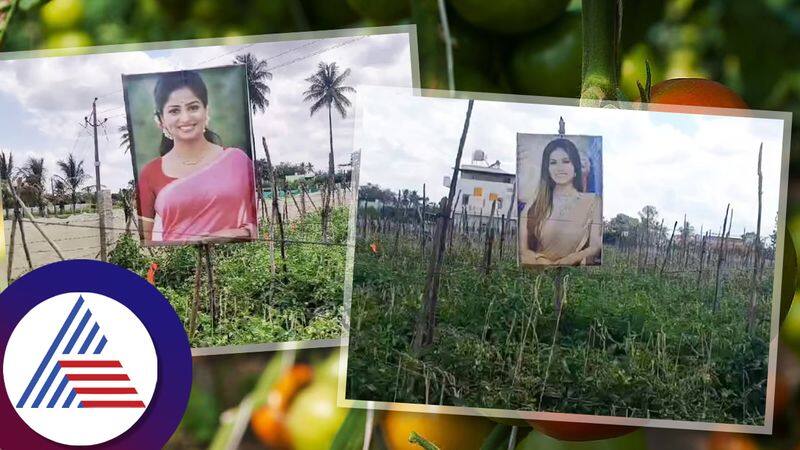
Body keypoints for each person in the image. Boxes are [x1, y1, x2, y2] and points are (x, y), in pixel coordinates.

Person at [136, 70, 257, 244]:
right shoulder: (150, 174)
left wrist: (223, 235)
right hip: (180, 266)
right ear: (160, 120)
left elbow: (254, 224)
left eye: (193, 107)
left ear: (206, 111)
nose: (185, 118)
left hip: (241, 263)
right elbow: (146, 242)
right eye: (174, 111)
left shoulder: (237, 161)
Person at [525, 138, 601, 266]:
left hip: (573, 274)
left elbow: (595, 246)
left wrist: (570, 259)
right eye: (553, 163)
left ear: (575, 167)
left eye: (566, 161)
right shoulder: (535, 203)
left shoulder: (593, 202)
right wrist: (542, 261)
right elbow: (523, 251)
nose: (559, 168)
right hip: (538, 274)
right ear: (547, 169)